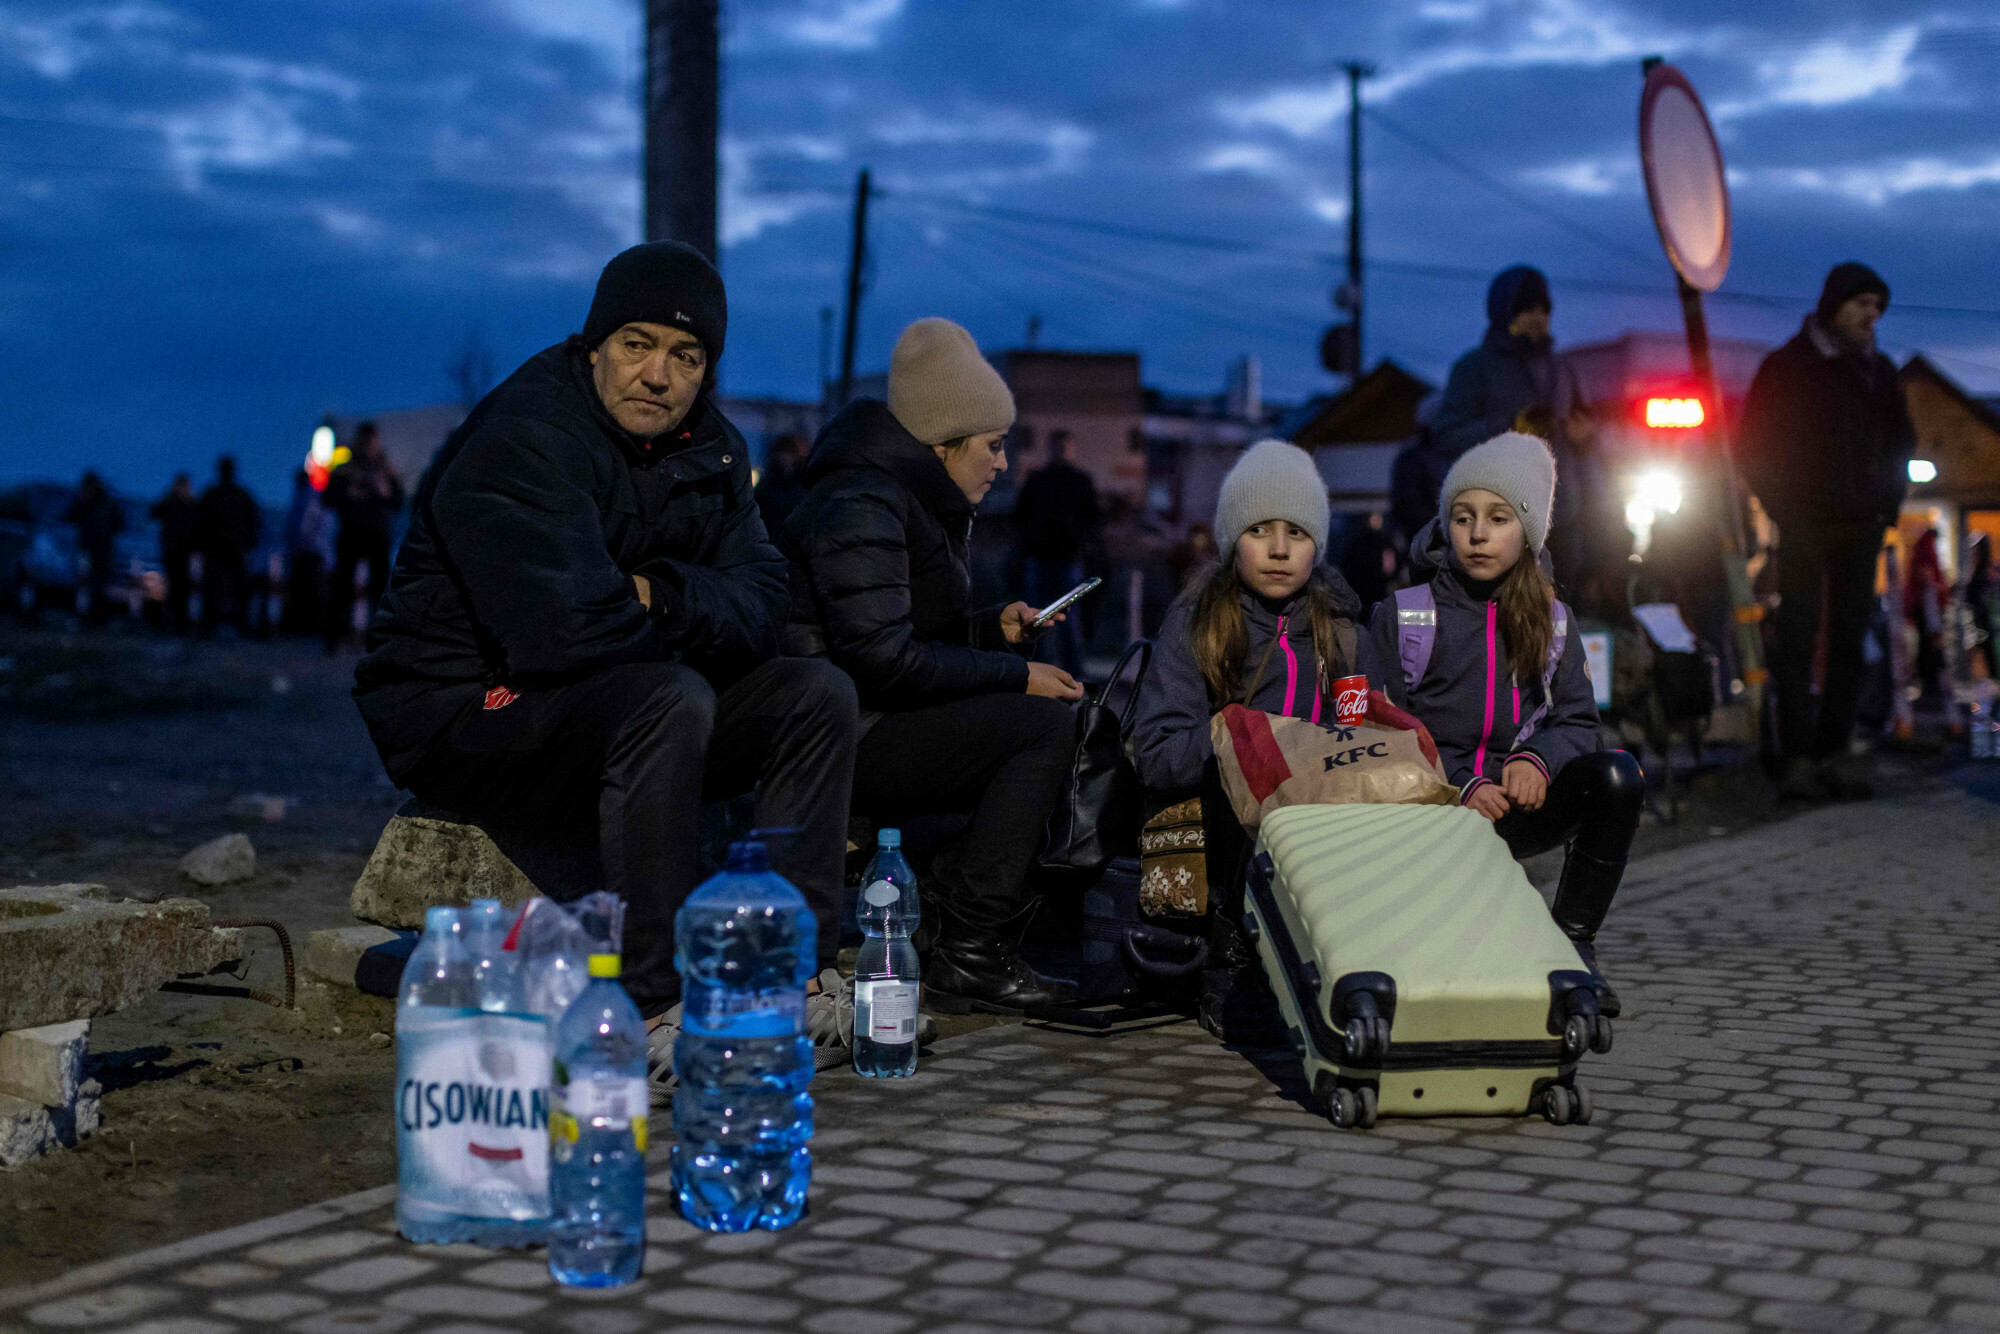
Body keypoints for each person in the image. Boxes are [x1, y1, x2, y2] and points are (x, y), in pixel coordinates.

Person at [351, 241, 861, 1088]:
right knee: (670, 698)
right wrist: (688, 613)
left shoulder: (716, 454)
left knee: (814, 692)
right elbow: (563, 632)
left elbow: (768, 607)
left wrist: (656, 596)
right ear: (595, 346)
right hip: (461, 709)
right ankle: (652, 1008)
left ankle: (789, 974)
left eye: (685, 356)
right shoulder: (523, 436)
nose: (657, 374)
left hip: (606, 696)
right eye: (636, 343)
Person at [780, 317, 1082, 1015]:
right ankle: (970, 948)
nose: (1002, 464)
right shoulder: (863, 500)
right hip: (840, 732)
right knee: (1039, 728)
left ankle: (957, 920)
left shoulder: (904, 497)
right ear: (943, 443)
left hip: (871, 715)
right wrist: (1013, 675)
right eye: (993, 446)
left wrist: (995, 633)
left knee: (1045, 716)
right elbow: (882, 659)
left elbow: (904, 635)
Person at [1368, 432, 1642, 1015]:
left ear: (1528, 535)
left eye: (1498, 517)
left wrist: (1536, 758)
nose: (1477, 533)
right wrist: (1460, 784)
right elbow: (1378, 729)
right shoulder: (1405, 614)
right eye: (1463, 517)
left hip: (1516, 806)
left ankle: (1572, 945)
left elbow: (1577, 721)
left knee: (1617, 775)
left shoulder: (1554, 622)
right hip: (1432, 812)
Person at [1131, 438, 1377, 1041]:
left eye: (1296, 532)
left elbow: (1361, 733)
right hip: (1222, 827)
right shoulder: (1198, 624)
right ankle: (1231, 964)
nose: (1277, 548)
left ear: (1317, 544)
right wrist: (1237, 742)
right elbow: (1157, 751)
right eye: (1259, 529)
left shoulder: (1341, 634)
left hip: (1320, 830)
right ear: (1229, 539)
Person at [1738, 262, 1914, 800]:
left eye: (1878, 308)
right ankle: (1796, 757)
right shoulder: (1788, 367)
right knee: (1796, 637)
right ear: (1834, 304)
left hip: (1861, 524)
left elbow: (1900, 443)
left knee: (1850, 640)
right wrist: (1784, 505)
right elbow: (1753, 444)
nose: (1871, 316)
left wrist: (1887, 505)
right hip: (1806, 523)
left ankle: (1835, 751)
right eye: (1862, 304)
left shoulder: (1879, 371)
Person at [1430, 266, 1616, 600]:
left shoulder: (1564, 370)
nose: (1537, 317)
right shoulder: (1475, 368)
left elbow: (1591, 438)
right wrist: (1507, 427)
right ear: (1505, 313)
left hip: (1562, 520)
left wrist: (1585, 438)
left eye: (1543, 309)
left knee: (1560, 620)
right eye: (1527, 308)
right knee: (1504, 622)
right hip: (1501, 522)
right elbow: (1445, 434)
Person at [1013, 429, 1101, 675]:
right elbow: (1021, 516)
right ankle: (1040, 672)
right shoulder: (1039, 480)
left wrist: (1080, 542)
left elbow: (1093, 519)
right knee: (1038, 621)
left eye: (1064, 447)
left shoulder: (1079, 481)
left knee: (1068, 624)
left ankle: (1073, 675)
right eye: (1057, 447)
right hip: (1041, 559)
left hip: (1067, 560)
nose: (1061, 452)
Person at [323, 422, 404, 651]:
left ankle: (378, 638)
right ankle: (334, 637)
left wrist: (383, 491)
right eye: (366, 440)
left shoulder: (385, 469)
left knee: (380, 588)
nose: (369, 446)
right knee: (342, 587)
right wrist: (349, 492)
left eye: (372, 441)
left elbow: (398, 502)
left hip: (377, 534)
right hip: (351, 533)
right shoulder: (345, 468)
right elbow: (328, 499)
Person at [196, 456, 260, 635]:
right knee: (235, 588)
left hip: (222, 547)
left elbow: (201, 521)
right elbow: (254, 521)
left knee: (219, 587)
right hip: (230, 547)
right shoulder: (240, 494)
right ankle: (237, 625)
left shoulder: (213, 493)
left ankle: (211, 625)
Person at [63, 471, 125, 626]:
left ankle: (97, 616)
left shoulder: (108, 502)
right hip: (87, 547)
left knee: (100, 583)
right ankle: (83, 613)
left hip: (103, 548)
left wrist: (108, 533)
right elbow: (69, 516)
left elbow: (120, 523)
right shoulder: (83, 501)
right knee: (84, 581)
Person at [281, 469, 334, 636]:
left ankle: (306, 626)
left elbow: (303, 526)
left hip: (308, 552)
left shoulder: (306, 498)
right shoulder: (312, 497)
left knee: (306, 591)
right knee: (309, 591)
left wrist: (297, 545)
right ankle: (309, 626)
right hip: (312, 551)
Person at [151, 473, 200, 632]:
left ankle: (181, 622)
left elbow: (200, 525)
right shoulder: (170, 502)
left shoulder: (192, 504)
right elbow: (154, 512)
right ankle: (170, 622)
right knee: (171, 587)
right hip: (172, 551)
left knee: (182, 587)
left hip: (184, 552)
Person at [1339, 511, 1397, 617]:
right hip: (1367, 590)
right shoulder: (1361, 542)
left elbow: (1390, 567)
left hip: (1373, 589)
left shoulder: (1383, 541)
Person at [753, 431, 810, 534]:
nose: (785, 458)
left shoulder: (804, 483)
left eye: (789, 454)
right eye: (782, 453)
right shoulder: (765, 486)